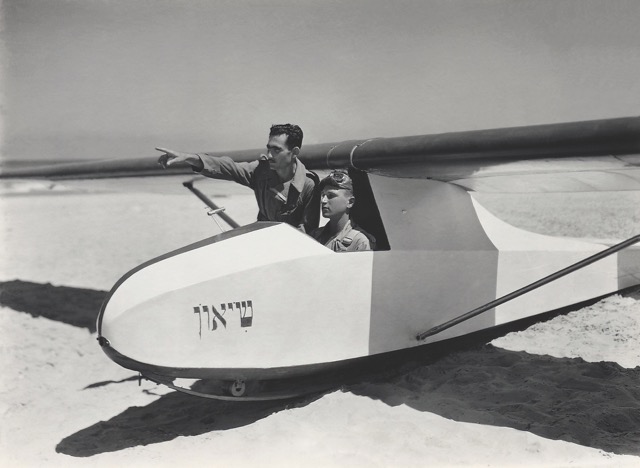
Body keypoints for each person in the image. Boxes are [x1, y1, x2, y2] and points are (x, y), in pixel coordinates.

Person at [156, 124, 319, 233]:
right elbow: (227, 167)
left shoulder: (308, 185)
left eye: (277, 150)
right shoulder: (261, 171)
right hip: (261, 236)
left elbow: (307, 232)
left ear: (295, 152)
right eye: (268, 148)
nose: (269, 155)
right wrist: (189, 158)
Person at [310, 170, 375, 252]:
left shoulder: (359, 242)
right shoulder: (314, 236)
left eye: (331, 195)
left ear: (350, 202)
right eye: (323, 195)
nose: (323, 200)